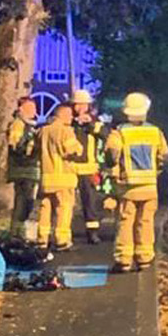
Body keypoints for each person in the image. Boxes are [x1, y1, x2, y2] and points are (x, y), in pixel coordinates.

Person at [104, 92, 168, 273]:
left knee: (126, 222)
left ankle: (124, 259)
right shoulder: (155, 132)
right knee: (146, 221)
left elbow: (112, 156)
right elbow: (164, 157)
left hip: (128, 187)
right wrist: (155, 172)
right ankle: (144, 258)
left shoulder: (119, 132)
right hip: (150, 186)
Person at [38, 103, 83, 252]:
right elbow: (73, 150)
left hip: (46, 177)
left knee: (45, 209)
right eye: (69, 114)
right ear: (62, 115)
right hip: (63, 177)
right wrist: (79, 149)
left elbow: (33, 149)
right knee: (64, 209)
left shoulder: (43, 130)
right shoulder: (65, 131)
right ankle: (61, 240)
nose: (72, 117)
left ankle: (42, 240)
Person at [71, 89, 106, 244]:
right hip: (69, 168)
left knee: (90, 201)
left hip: (88, 168)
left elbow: (106, 134)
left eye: (83, 104)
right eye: (77, 104)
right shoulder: (68, 122)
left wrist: (91, 124)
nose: (80, 108)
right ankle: (64, 232)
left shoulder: (95, 122)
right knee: (66, 202)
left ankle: (92, 232)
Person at [6, 98, 41, 243]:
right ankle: (17, 234)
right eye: (30, 108)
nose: (34, 111)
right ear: (21, 109)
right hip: (23, 169)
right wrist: (33, 148)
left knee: (26, 202)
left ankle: (19, 232)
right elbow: (16, 146)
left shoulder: (30, 125)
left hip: (28, 169)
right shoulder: (18, 125)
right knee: (24, 202)